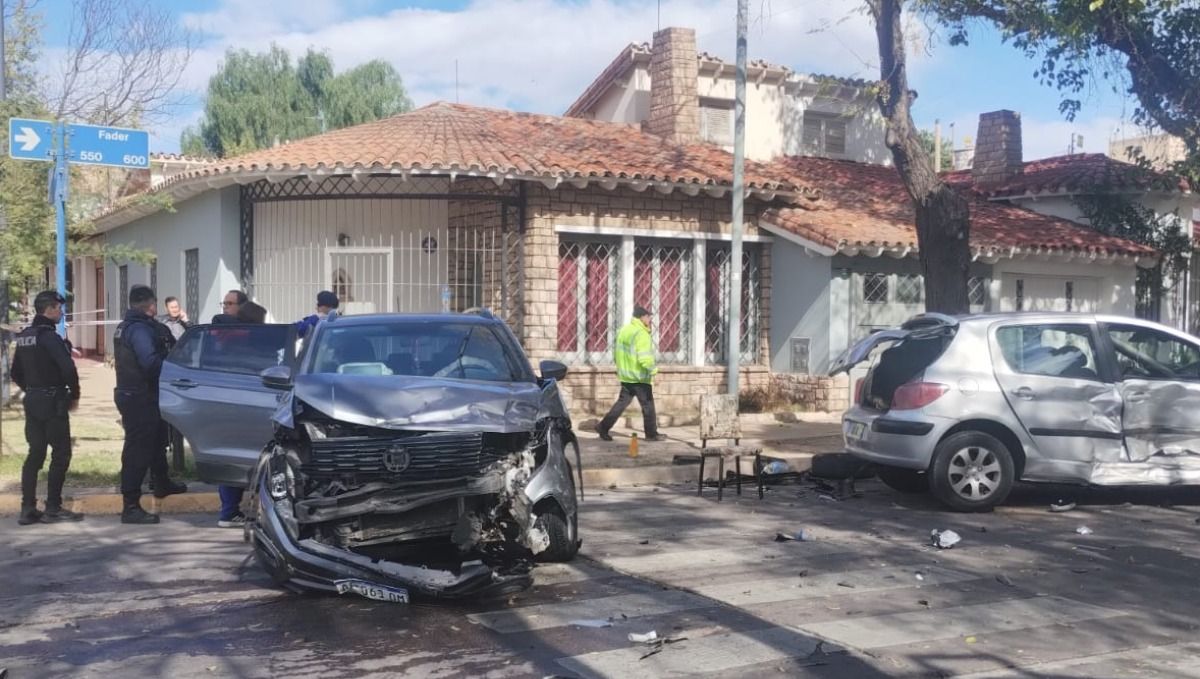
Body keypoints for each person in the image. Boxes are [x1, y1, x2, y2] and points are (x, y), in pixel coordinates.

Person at [114, 285, 188, 524]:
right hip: (140, 395)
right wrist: (174, 369)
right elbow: (150, 362)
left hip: (136, 393)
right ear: (151, 305)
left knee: (156, 440)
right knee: (138, 449)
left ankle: (162, 483)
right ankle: (131, 505)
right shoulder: (139, 330)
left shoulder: (128, 326)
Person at [11, 291, 84, 525]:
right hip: (53, 401)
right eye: (59, 308)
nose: (61, 312)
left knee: (35, 454)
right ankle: (53, 507)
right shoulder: (50, 337)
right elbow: (68, 368)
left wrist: (33, 389)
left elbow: (15, 373)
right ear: (49, 309)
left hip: (32, 400)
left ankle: (28, 508)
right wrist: (74, 394)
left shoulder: (25, 336)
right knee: (61, 454)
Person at [215, 298, 268, 529]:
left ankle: (228, 510)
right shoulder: (252, 340)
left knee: (231, 455)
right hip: (248, 404)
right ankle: (231, 512)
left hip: (227, 402)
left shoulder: (225, 337)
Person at [596, 306, 661, 442]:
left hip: (626, 377)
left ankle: (603, 427)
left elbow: (616, 354)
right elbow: (644, 359)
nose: (650, 320)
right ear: (642, 317)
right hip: (639, 378)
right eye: (649, 317)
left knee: (621, 404)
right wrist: (654, 371)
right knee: (648, 406)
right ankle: (651, 434)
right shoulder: (641, 334)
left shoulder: (624, 331)